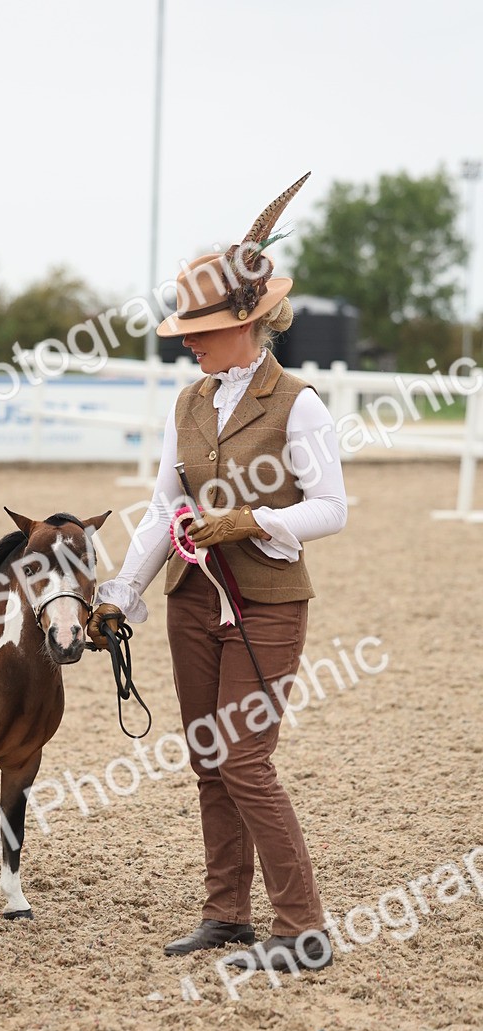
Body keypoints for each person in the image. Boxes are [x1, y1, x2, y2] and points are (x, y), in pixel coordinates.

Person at [87, 173, 347, 975]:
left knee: (245, 760)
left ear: (245, 324)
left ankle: (303, 929)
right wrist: (120, 594)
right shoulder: (189, 403)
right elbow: (164, 506)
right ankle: (226, 913)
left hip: (266, 603)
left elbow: (332, 508)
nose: (187, 342)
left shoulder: (298, 403)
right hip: (192, 602)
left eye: (199, 330)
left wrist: (252, 521)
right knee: (209, 759)